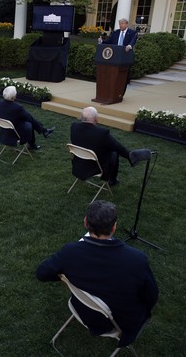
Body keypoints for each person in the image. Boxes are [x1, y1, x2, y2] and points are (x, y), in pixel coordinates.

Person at [36, 200, 158, 347]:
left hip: (81, 309)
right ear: (114, 227)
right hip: (118, 323)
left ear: (85, 222)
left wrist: (64, 276)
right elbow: (151, 296)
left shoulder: (70, 252)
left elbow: (41, 273)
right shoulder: (137, 260)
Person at [70, 106, 131, 186]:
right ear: (95, 119)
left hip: (78, 165)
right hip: (94, 168)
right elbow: (117, 147)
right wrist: (129, 155)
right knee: (114, 152)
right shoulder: (102, 133)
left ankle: (112, 179)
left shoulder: (74, 126)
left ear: (82, 117)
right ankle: (112, 180)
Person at [0, 86, 55, 150]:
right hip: (15, 132)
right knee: (29, 123)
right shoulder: (17, 107)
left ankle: (43, 131)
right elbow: (26, 117)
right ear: (13, 97)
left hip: (4, 130)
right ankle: (41, 134)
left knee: (29, 120)